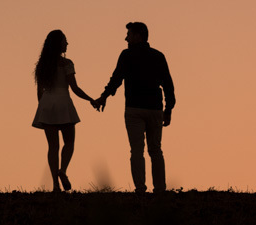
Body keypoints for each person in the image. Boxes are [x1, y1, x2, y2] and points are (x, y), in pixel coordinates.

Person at [92, 21, 175, 193]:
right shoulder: (158, 56)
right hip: (155, 109)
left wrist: (104, 96)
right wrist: (168, 110)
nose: (126, 38)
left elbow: (116, 79)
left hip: (134, 109)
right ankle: (160, 188)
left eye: (128, 35)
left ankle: (140, 188)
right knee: (155, 149)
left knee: (137, 150)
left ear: (138, 36)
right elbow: (168, 85)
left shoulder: (127, 55)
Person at [31, 29, 96, 192]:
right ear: (58, 44)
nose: (67, 43)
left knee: (52, 147)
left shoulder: (42, 65)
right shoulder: (67, 64)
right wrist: (91, 99)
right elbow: (74, 88)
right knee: (70, 142)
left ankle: (55, 184)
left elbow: (39, 91)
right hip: (63, 102)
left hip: (47, 103)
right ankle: (63, 171)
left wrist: (42, 107)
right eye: (64, 41)